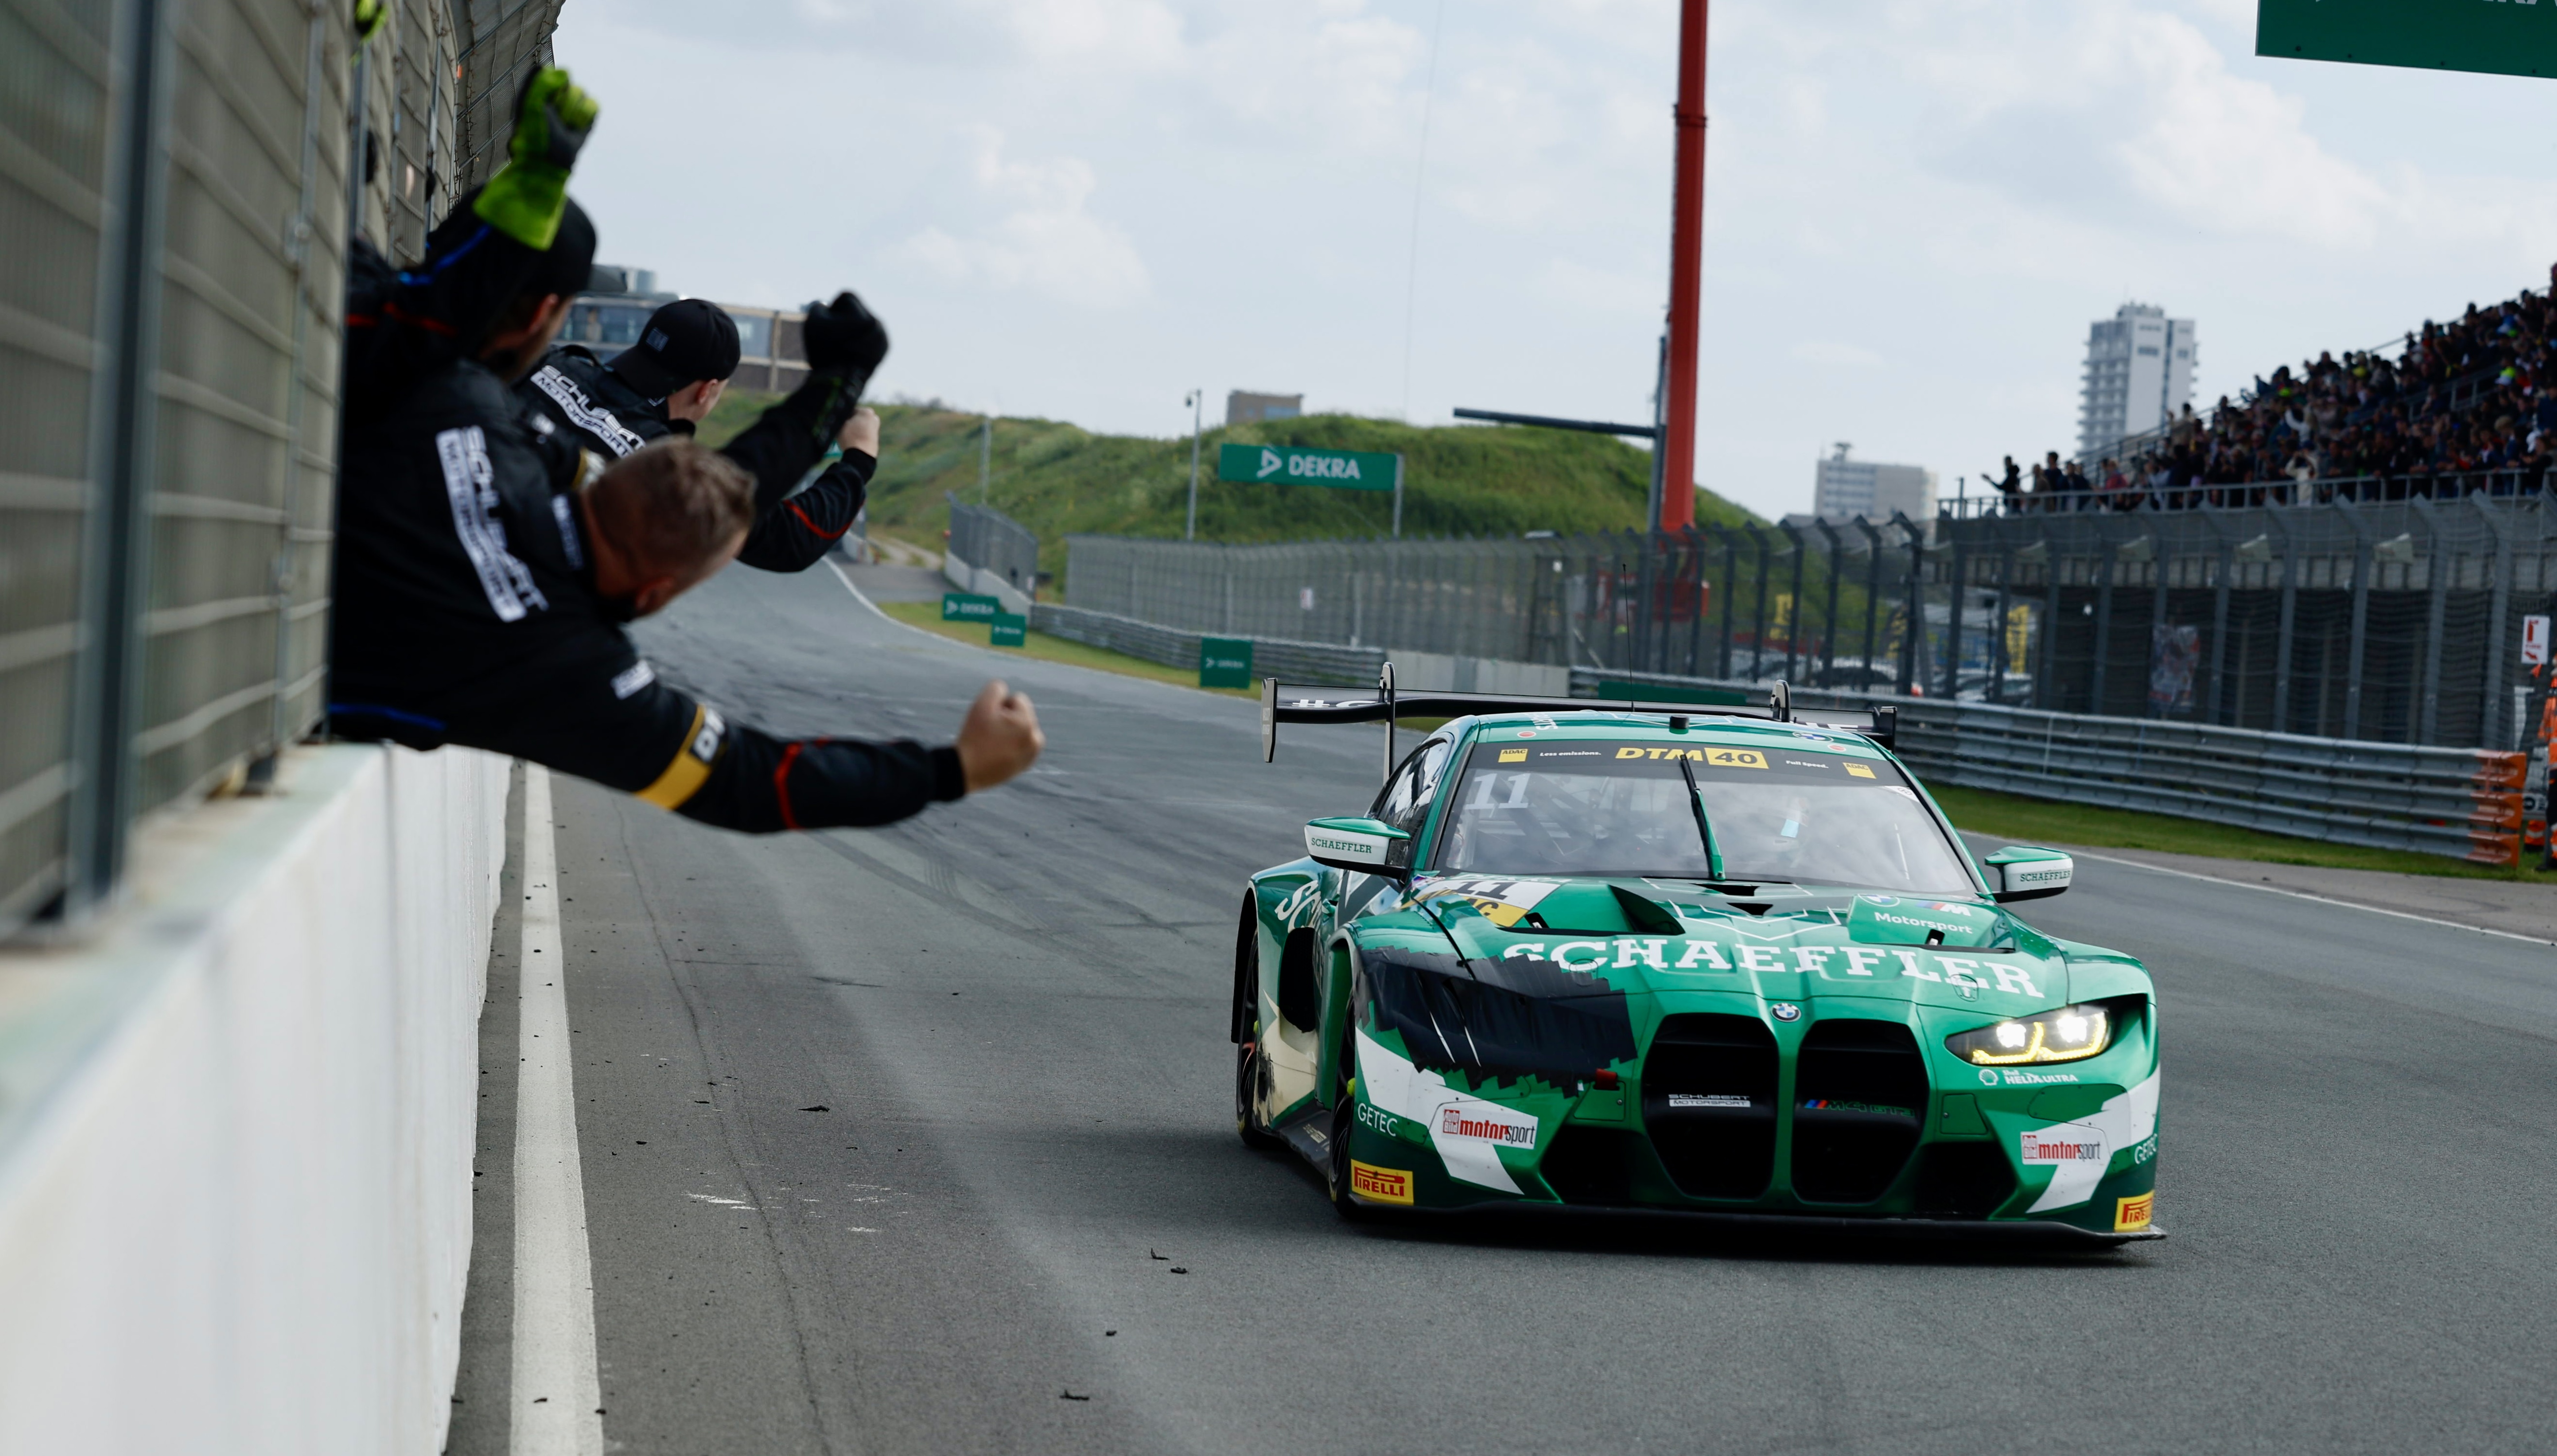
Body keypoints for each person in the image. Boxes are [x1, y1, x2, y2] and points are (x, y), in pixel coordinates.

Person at [330, 68, 1042, 832]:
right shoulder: (563, 667)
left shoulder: (479, 404)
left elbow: (416, 314)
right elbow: (750, 779)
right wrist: (955, 767)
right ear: (655, 592)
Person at [520, 294, 878, 572]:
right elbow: (791, 539)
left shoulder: (544, 361)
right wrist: (858, 458)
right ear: (705, 391)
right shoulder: (663, 467)